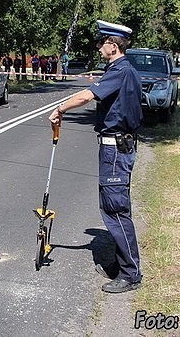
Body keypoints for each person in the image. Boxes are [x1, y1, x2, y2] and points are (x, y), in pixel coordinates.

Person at [48, 20, 144, 294]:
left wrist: (60, 108)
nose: (99, 47)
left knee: (115, 208)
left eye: (102, 43)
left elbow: (87, 95)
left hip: (116, 149)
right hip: (116, 147)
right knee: (113, 204)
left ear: (113, 46)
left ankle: (130, 273)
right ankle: (119, 263)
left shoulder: (119, 71)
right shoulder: (123, 70)